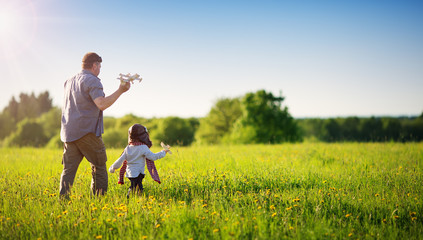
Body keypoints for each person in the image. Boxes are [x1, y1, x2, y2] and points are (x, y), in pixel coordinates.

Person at [59, 52, 131, 197]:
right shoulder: (92, 80)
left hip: (68, 133)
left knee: (68, 171)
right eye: (99, 66)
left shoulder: (69, 81)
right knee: (99, 167)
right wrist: (121, 90)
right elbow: (102, 104)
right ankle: (98, 201)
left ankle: (63, 201)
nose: (100, 69)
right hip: (87, 132)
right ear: (94, 65)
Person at [109, 124, 170, 198]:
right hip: (138, 173)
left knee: (135, 186)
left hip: (130, 173)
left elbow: (120, 160)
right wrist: (163, 152)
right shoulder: (143, 147)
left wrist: (113, 167)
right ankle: (133, 198)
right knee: (137, 187)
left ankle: (134, 197)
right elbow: (153, 157)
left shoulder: (128, 148)